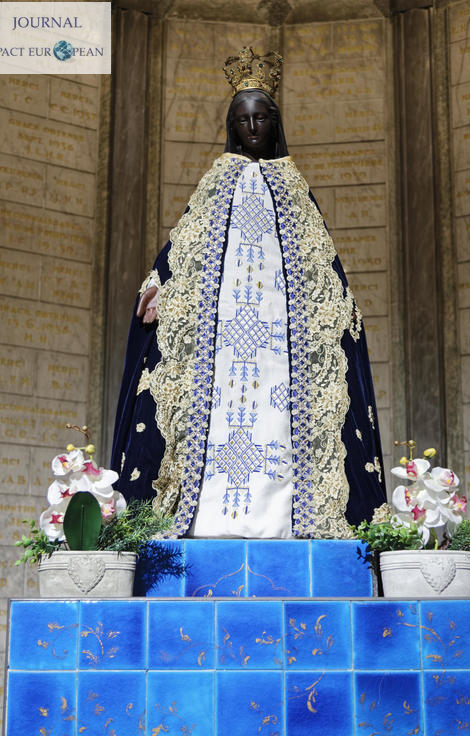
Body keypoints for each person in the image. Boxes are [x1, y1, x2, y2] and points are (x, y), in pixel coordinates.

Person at [111, 47, 387, 539]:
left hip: (283, 340)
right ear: (232, 126)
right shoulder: (217, 180)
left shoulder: (293, 186)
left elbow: (321, 265)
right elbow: (186, 246)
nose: (253, 128)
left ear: (275, 123)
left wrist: (334, 308)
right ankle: (203, 514)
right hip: (222, 340)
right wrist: (160, 284)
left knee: (286, 419)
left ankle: (293, 516)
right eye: (243, 120)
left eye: (261, 118)